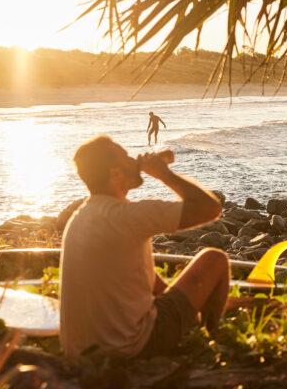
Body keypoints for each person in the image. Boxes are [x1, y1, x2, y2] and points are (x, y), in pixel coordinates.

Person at [60, 135, 229, 358]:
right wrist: (164, 175)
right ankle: (209, 337)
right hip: (134, 347)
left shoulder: (81, 216)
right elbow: (210, 208)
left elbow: (146, 281)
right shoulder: (130, 216)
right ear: (116, 174)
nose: (134, 160)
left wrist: (177, 299)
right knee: (214, 259)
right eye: (126, 157)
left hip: (79, 351)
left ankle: (190, 324)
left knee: (165, 292)